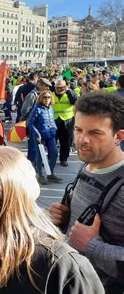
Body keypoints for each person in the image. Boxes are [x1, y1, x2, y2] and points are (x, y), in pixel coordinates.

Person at [0, 147, 104, 293]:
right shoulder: (62, 263)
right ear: (19, 189)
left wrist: (49, 220)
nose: (32, 167)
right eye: (27, 166)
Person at [49, 92, 124, 293]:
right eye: (78, 129)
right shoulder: (89, 164)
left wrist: (92, 246)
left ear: (119, 136)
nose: (82, 140)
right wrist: (66, 218)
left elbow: (86, 241)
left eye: (95, 133)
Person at [26, 90, 62, 185]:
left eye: (49, 97)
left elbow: (51, 120)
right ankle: (40, 175)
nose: (47, 99)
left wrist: (55, 128)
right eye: (45, 97)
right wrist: (37, 133)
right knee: (40, 156)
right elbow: (30, 123)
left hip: (51, 134)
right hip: (40, 136)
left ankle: (50, 174)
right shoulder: (37, 108)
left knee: (54, 153)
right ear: (41, 98)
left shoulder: (50, 108)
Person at [52, 79, 78, 167]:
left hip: (67, 121)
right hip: (54, 121)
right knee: (52, 142)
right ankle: (51, 158)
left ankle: (64, 159)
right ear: (55, 87)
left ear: (65, 87)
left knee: (66, 142)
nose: (60, 89)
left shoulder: (70, 94)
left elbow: (76, 101)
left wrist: (69, 91)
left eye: (62, 87)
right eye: (58, 87)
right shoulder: (51, 95)